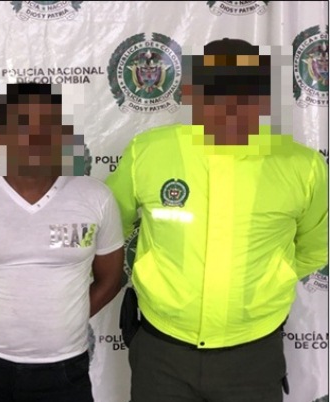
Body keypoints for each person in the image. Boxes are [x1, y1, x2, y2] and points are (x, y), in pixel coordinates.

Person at [106, 38, 328, 402]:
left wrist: (274, 277)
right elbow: (109, 229)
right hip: (162, 351)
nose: (229, 104)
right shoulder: (148, 153)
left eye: (244, 91)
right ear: (192, 94)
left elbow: (316, 246)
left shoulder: (302, 167)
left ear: (263, 98)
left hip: (253, 355)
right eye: (216, 90)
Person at [0, 82, 125, 402]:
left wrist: (66, 318)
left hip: (65, 367)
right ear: (0, 134)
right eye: (22, 125)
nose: (35, 137)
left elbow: (111, 278)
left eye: (47, 125)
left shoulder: (96, 198)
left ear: (63, 134)